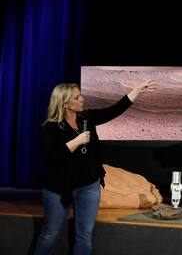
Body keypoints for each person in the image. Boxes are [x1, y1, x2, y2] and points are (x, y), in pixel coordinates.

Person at [34, 79, 156, 255]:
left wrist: (136, 91)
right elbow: (51, 157)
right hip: (60, 189)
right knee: (50, 234)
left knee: (84, 234)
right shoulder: (51, 127)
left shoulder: (87, 117)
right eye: (77, 97)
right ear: (66, 103)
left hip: (89, 186)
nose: (82, 99)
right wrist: (76, 141)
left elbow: (113, 110)